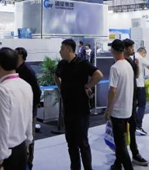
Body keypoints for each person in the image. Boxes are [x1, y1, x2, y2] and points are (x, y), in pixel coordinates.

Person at [55, 38, 104, 170]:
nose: (60, 51)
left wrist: (88, 86)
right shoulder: (62, 64)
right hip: (68, 109)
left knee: (83, 143)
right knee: (71, 143)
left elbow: (98, 75)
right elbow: (56, 76)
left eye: (62, 49)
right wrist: (62, 88)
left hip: (81, 109)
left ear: (69, 49)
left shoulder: (82, 63)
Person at [0, 48, 33, 170]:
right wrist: (28, 143)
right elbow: (29, 118)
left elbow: (1, 127)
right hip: (21, 148)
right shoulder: (25, 85)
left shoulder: (2, 90)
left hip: (5, 154)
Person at [106, 40, 135, 170]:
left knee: (120, 143)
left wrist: (108, 110)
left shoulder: (115, 67)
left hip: (117, 110)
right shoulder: (128, 65)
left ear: (114, 51)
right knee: (121, 139)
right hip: (127, 109)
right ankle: (117, 165)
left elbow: (112, 90)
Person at [121, 40, 149, 166]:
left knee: (131, 128)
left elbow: (136, 76)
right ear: (125, 48)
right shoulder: (120, 63)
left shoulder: (132, 60)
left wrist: (137, 66)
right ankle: (121, 158)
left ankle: (134, 153)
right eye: (131, 47)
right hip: (123, 102)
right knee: (121, 131)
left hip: (131, 99)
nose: (133, 49)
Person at [15, 47, 42, 170]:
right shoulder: (16, 69)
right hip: (19, 109)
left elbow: (37, 91)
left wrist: (31, 107)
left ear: (21, 56)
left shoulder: (27, 71)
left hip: (29, 109)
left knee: (29, 138)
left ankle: (28, 164)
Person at [134, 47, 149, 136]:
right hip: (140, 85)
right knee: (142, 105)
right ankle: (138, 126)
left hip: (131, 85)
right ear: (143, 53)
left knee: (132, 106)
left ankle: (131, 125)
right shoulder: (141, 58)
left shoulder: (131, 57)